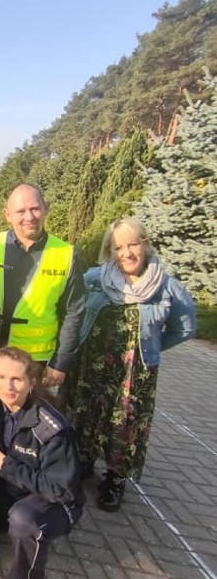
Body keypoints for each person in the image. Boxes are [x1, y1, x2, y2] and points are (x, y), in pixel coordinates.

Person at [62, 217, 196, 511]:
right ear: (110, 251)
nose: (127, 253)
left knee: (125, 425)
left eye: (133, 244)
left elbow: (185, 328)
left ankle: (115, 478)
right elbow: (72, 308)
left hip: (133, 373)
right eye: (118, 247)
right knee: (86, 414)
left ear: (145, 244)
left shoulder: (166, 287)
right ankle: (83, 463)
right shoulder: (95, 279)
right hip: (92, 365)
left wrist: (152, 348)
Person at [0, 347, 84, 579]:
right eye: (1, 377)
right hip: (14, 485)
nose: (8, 386)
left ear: (32, 382)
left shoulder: (52, 429)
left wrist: (4, 464)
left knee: (24, 520)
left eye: (17, 379)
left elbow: (59, 489)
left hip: (55, 500)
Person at [0, 184, 85, 391]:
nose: (29, 216)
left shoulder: (66, 254)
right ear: (7, 215)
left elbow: (74, 312)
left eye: (35, 208)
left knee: (30, 420)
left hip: (36, 362)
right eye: (20, 211)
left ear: (46, 208)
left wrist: (60, 362)